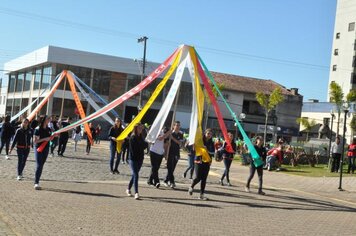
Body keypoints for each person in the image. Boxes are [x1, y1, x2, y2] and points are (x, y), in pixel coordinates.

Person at [188, 129, 215, 200]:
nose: (209, 135)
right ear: (205, 133)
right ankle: (191, 186)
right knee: (198, 177)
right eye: (208, 133)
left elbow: (213, 153)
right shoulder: (200, 140)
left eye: (210, 134)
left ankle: (201, 194)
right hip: (198, 161)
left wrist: (207, 150)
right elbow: (194, 148)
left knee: (204, 179)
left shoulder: (212, 143)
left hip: (207, 162)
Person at [126, 123, 147, 200]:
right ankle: (136, 192)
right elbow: (134, 149)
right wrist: (143, 145)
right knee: (136, 175)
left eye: (141, 128)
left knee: (134, 175)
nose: (141, 130)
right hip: (133, 159)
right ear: (136, 129)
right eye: (139, 128)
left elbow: (144, 146)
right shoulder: (132, 137)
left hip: (140, 159)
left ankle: (128, 188)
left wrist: (145, 144)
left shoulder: (141, 137)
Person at [33, 115, 54, 190]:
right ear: (44, 120)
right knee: (39, 165)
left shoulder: (48, 129)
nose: (49, 119)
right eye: (48, 118)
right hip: (38, 149)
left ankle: (37, 180)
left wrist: (52, 137)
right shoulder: (38, 129)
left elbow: (50, 138)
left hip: (46, 149)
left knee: (41, 165)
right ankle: (36, 183)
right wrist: (45, 139)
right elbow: (35, 141)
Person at [164, 121, 184, 189]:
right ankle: (172, 182)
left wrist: (173, 138)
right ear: (173, 126)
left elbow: (180, 143)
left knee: (172, 168)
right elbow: (166, 143)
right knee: (170, 167)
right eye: (176, 125)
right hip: (170, 152)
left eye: (179, 125)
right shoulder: (170, 133)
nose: (178, 127)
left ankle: (166, 180)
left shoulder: (180, 134)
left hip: (176, 153)